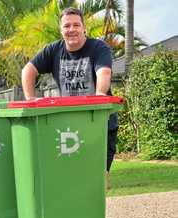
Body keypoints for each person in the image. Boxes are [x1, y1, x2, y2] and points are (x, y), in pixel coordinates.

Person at [21, 7, 118, 188]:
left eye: (76, 25)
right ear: (61, 30)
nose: (71, 29)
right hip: (70, 125)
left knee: (97, 181)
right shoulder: (53, 50)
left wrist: (99, 95)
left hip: (100, 122)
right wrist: (30, 100)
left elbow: (104, 72)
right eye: (67, 26)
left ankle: (93, 211)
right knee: (71, 180)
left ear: (83, 28)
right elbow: (28, 70)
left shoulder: (98, 47)